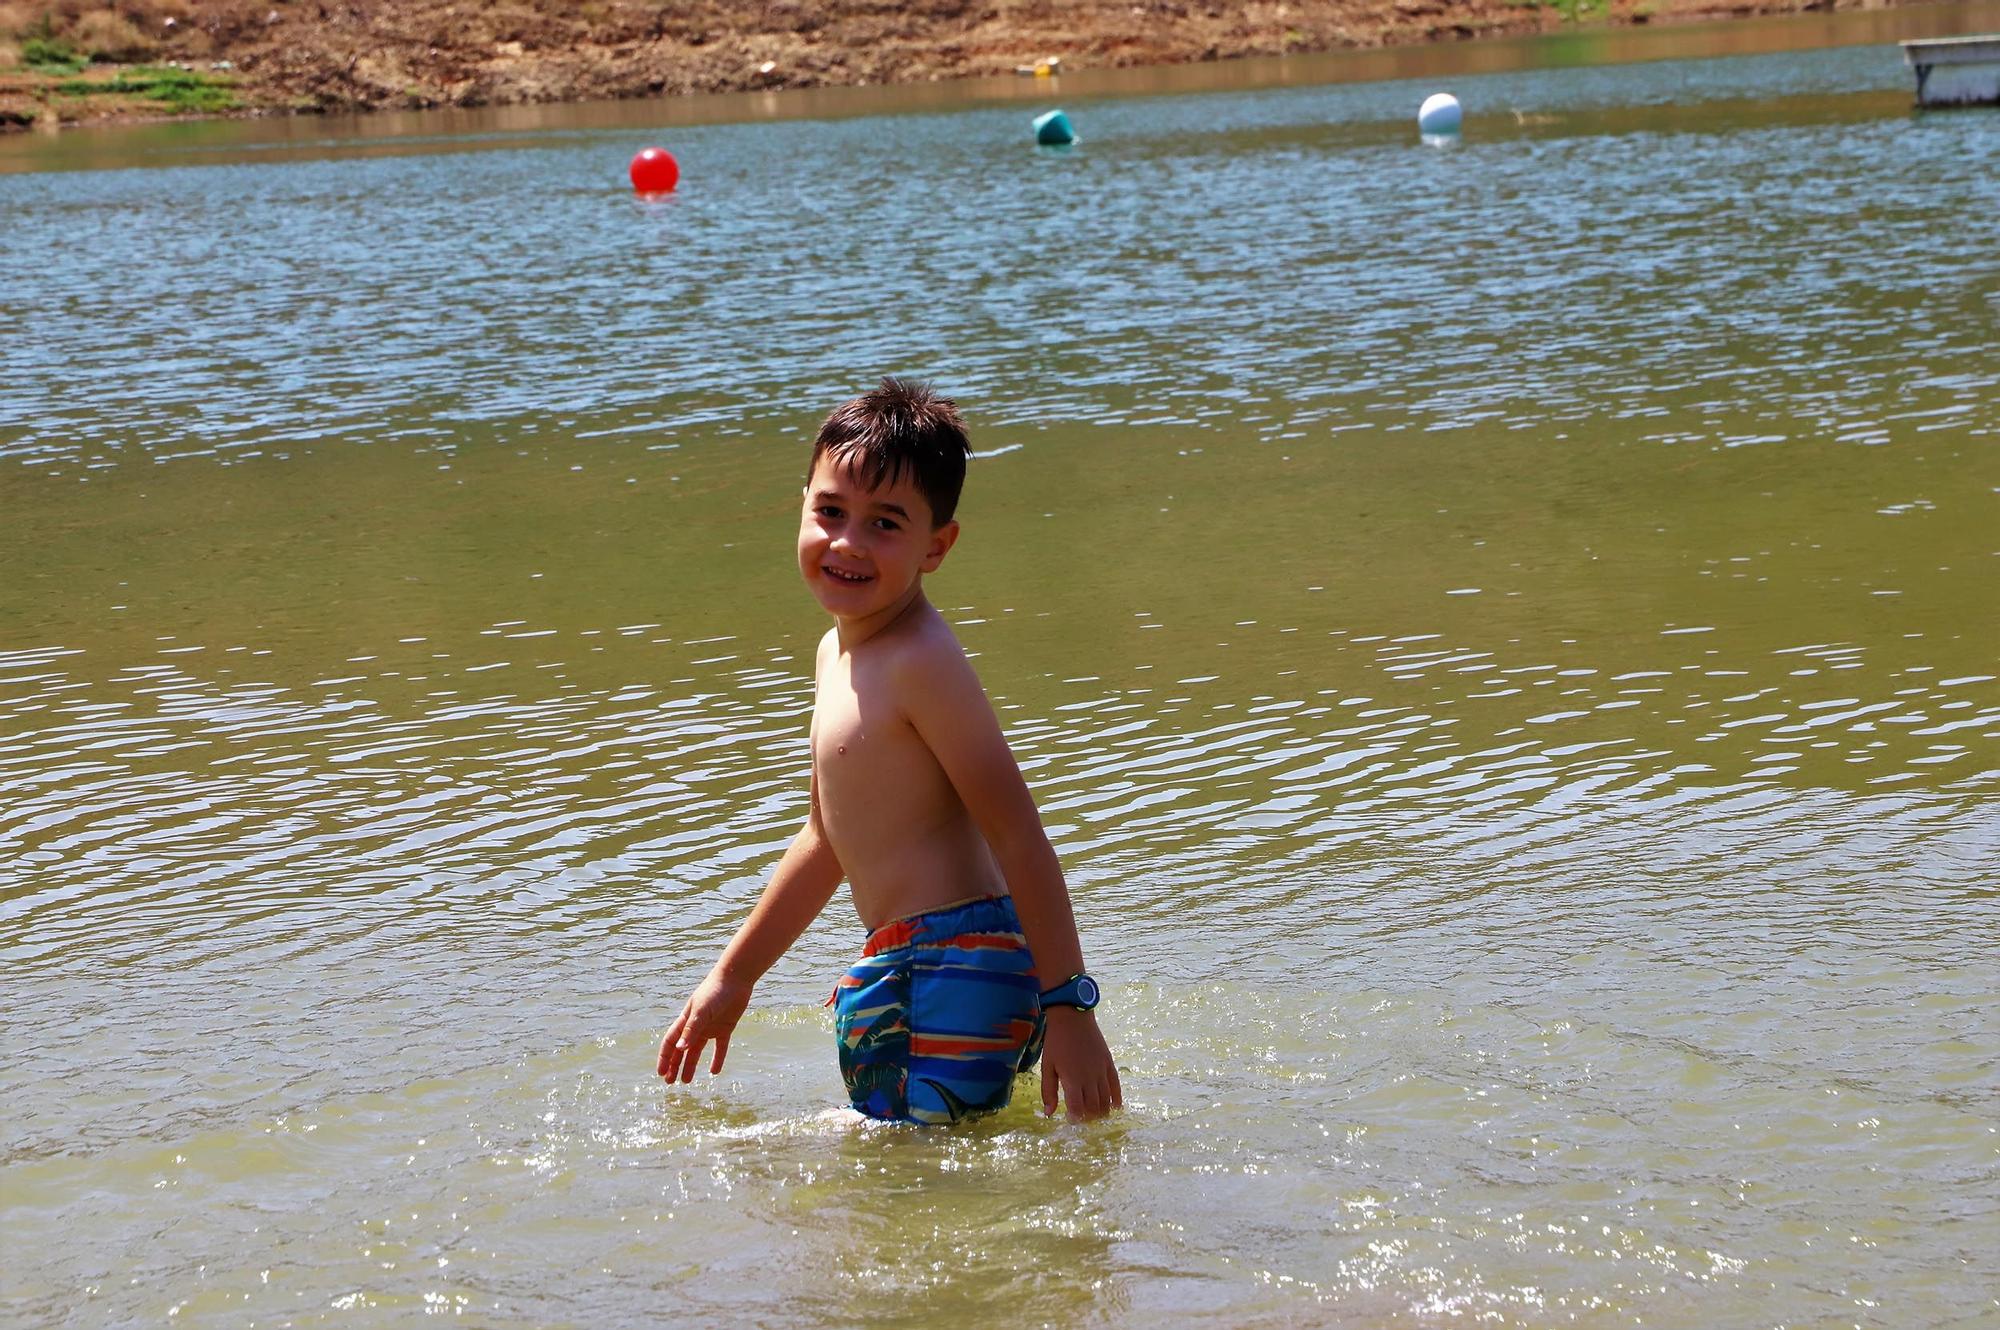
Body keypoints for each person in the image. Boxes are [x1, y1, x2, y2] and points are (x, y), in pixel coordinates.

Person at [657, 378, 1121, 1124]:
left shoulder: (920, 661)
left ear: (937, 546)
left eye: (885, 524)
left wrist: (1071, 1002)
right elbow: (824, 839)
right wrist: (732, 978)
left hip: (943, 967)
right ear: (801, 504)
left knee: (901, 1194)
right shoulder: (836, 656)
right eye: (831, 512)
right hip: (952, 968)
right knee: (944, 1173)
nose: (848, 542)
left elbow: (1017, 831)